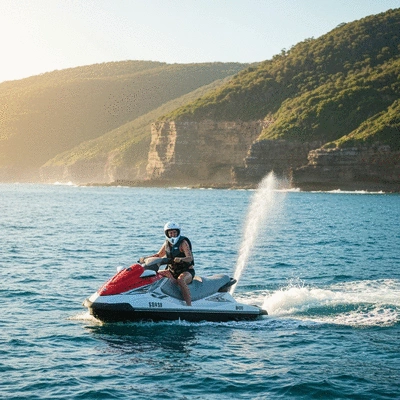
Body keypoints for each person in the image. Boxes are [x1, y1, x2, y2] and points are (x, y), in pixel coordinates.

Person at [141, 221, 195, 306]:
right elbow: (158, 255)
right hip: (172, 271)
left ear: (178, 232)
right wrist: (145, 258)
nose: (173, 234)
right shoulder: (167, 243)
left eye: (175, 232)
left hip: (187, 271)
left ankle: (189, 305)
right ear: (167, 233)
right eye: (171, 233)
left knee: (181, 280)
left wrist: (181, 259)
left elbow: (190, 258)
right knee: (154, 274)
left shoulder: (183, 243)